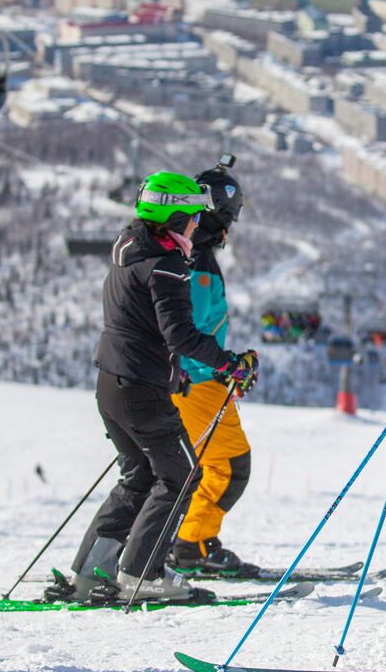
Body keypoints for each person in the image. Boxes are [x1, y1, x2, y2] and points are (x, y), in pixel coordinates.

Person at [63, 171, 258, 603]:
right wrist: (230, 364)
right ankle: (143, 574)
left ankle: (93, 571)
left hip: (111, 384)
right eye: (191, 216)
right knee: (179, 477)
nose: (196, 225)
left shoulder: (128, 250)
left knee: (138, 478)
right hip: (143, 390)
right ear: (174, 216)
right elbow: (181, 336)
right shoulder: (167, 265)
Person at [167, 159, 261, 577]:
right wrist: (224, 366)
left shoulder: (185, 255)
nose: (231, 228)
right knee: (230, 466)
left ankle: (190, 540)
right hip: (196, 383)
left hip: (194, 378)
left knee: (206, 467)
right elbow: (189, 331)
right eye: (231, 217)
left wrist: (223, 367)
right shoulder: (199, 263)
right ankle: (192, 546)